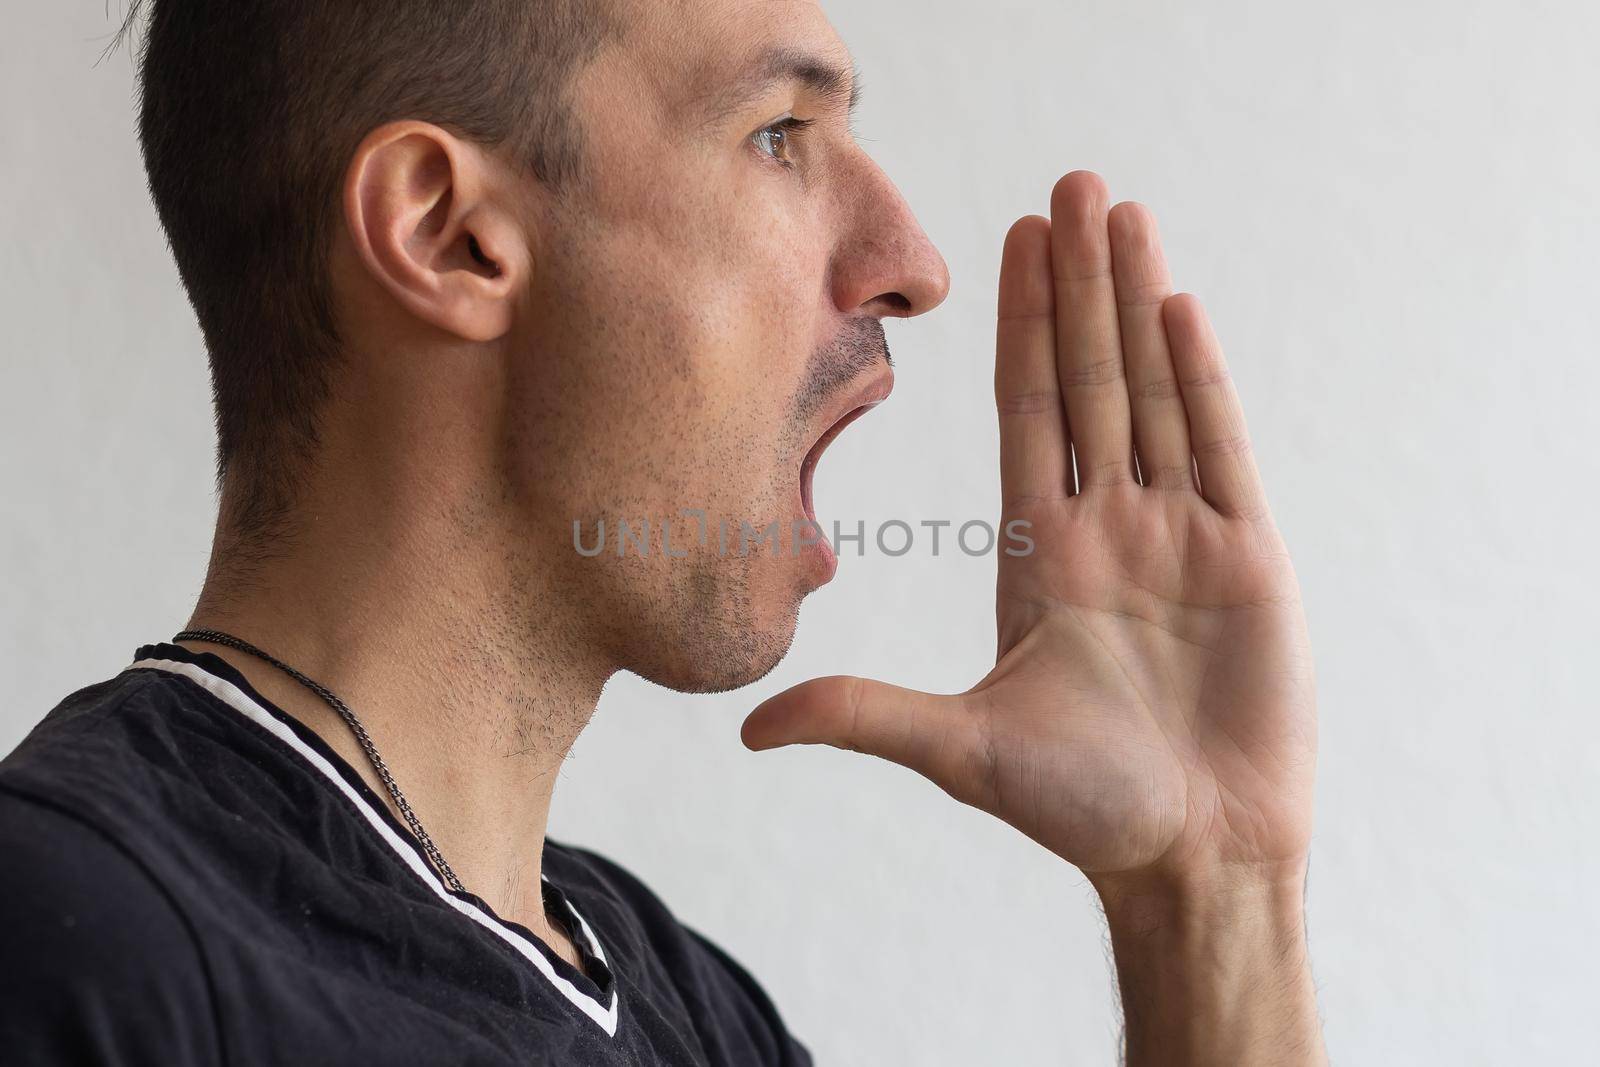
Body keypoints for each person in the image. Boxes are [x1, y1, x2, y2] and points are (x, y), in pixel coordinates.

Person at [0, 0, 1326, 1063]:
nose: (911, 261)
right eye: (777, 131)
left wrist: (1205, 900)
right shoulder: (75, 945)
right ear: (451, 236)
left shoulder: (698, 1014)